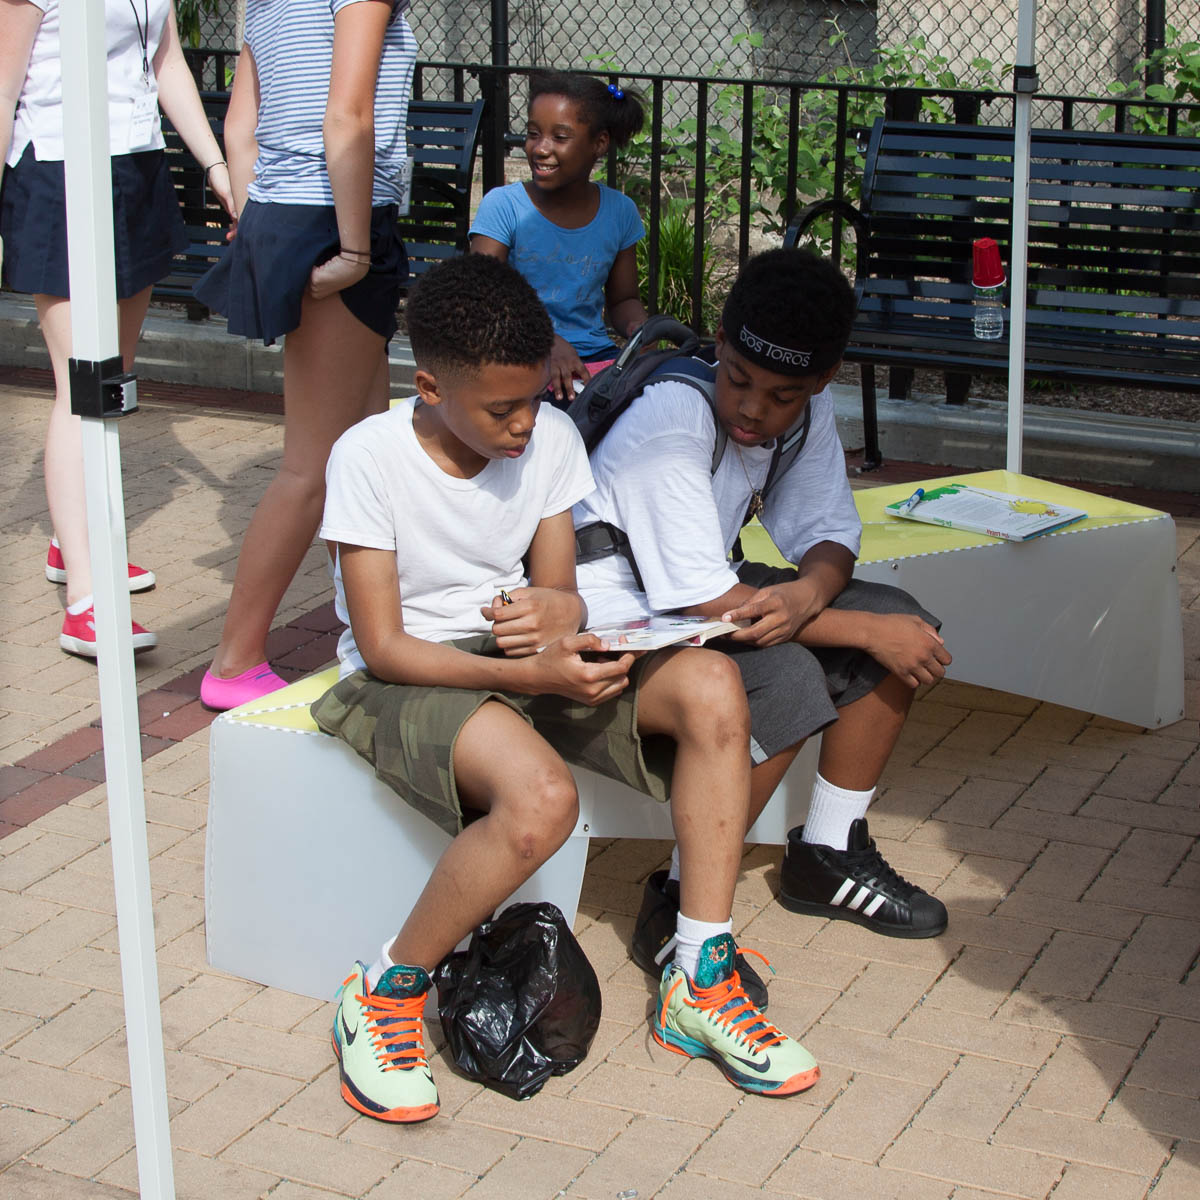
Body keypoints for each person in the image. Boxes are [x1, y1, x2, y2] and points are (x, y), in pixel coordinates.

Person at [310, 253, 820, 1123]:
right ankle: (385, 991)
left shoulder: (547, 436)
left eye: (530, 404)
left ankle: (697, 973)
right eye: (500, 409)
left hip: (515, 655)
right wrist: (530, 668)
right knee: (541, 801)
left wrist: (560, 621)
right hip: (411, 672)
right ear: (429, 386)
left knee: (709, 687)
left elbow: (561, 592)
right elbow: (387, 646)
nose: (523, 427)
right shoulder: (368, 456)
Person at [572, 248, 955, 999]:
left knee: (899, 616)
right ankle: (679, 905)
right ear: (720, 341)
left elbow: (832, 535)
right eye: (738, 378)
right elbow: (705, 606)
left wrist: (813, 593)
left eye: (781, 396)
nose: (752, 408)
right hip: (624, 617)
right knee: (787, 677)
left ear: (822, 380)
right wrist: (856, 631)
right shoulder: (674, 417)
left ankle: (828, 851)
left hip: (700, 597)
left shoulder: (804, 412)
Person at [193, 0, 416, 711]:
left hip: (291, 212)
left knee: (360, 453)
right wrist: (352, 249)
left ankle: (370, 631)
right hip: (337, 216)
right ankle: (235, 659)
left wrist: (258, 218)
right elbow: (346, 118)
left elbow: (240, 124)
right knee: (316, 467)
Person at [0, 0, 235, 656]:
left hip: (137, 165)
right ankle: (84, 598)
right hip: (57, 168)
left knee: (113, 379)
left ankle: (74, 539)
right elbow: (3, 84)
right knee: (84, 385)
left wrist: (215, 166)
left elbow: (164, 61)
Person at [470, 70, 648, 404]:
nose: (540, 148)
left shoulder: (619, 212)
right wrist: (546, 342)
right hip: (516, 354)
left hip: (593, 358)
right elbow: (483, 300)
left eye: (560, 137)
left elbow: (623, 300)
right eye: (534, 134)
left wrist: (639, 328)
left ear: (600, 143)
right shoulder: (504, 206)